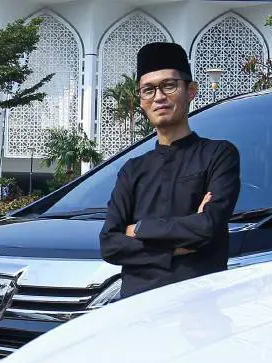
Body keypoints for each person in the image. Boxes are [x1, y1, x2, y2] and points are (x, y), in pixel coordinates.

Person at [99, 42, 242, 299]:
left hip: (198, 307)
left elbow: (208, 227)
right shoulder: (132, 170)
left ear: (191, 91)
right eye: (148, 90)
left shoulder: (219, 154)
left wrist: (140, 228)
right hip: (136, 310)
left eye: (169, 85)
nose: (159, 97)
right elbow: (110, 244)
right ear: (141, 101)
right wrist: (175, 249)